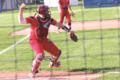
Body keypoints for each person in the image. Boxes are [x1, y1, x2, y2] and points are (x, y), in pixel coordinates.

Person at [18, 3, 76, 78]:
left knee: (58, 52)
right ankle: (32, 71)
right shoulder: (33, 19)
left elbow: (59, 25)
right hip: (34, 40)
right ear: (42, 12)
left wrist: (69, 31)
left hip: (44, 39)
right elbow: (21, 21)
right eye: (46, 11)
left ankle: (53, 63)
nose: (48, 12)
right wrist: (21, 11)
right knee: (40, 55)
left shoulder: (49, 19)